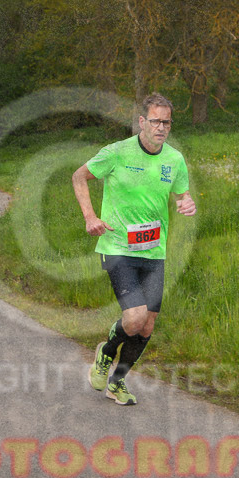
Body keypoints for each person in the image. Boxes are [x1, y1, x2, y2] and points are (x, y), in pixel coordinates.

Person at [72, 92, 196, 405]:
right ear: (142, 122)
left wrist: (186, 202)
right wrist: (90, 217)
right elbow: (79, 177)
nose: (161, 127)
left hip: (154, 251)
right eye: (155, 121)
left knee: (147, 324)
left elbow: (182, 194)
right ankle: (105, 352)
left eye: (166, 122)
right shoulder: (116, 152)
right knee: (135, 317)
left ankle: (117, 381)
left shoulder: (174, 160)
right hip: (118, 247)